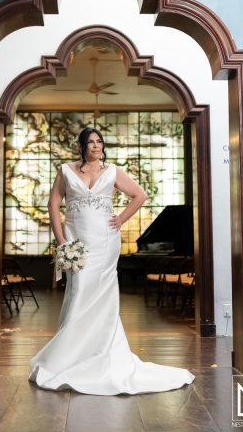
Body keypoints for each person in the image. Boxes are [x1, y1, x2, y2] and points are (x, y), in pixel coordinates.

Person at [29, 127, 194, 395]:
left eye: (99, 142)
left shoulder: (112, 170)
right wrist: (61, 240)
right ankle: (69, 353)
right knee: (78, 289)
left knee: (101, 293)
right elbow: (53, 203)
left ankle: (102, 348)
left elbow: (140, 195)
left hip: (105, 242)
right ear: (81, 145)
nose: (96, 146)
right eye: (90, 142)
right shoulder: (66, 170)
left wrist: (121, 218)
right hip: (75, 238)